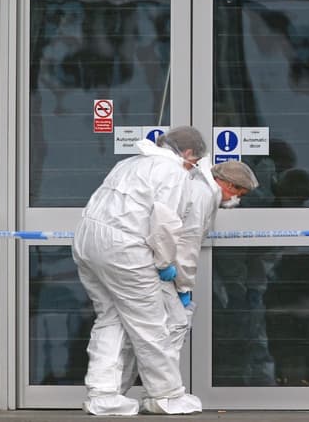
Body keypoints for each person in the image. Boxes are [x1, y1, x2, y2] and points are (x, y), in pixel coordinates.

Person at [72, 127, 207, 415]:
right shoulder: (173, 172)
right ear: (186, 153)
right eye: (194, 161)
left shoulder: (129, 163)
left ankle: (103, 394)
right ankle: (166, 396)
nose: (191, 167)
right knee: (151, 325)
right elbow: (165, 225)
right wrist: (165, 264)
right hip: (124, 249)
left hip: (87, 242)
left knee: (110, 318)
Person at [119, 159, 259, 399]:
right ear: (225, 183)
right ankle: (162, 395)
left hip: (146, 260)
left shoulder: (197, 187)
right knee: (173, 325)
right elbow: (188, 244)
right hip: (152, 265)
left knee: (140, 331)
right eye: (238, 192)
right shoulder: (203, 195)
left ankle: (121, 392)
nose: (237, 199)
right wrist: (183, 285)